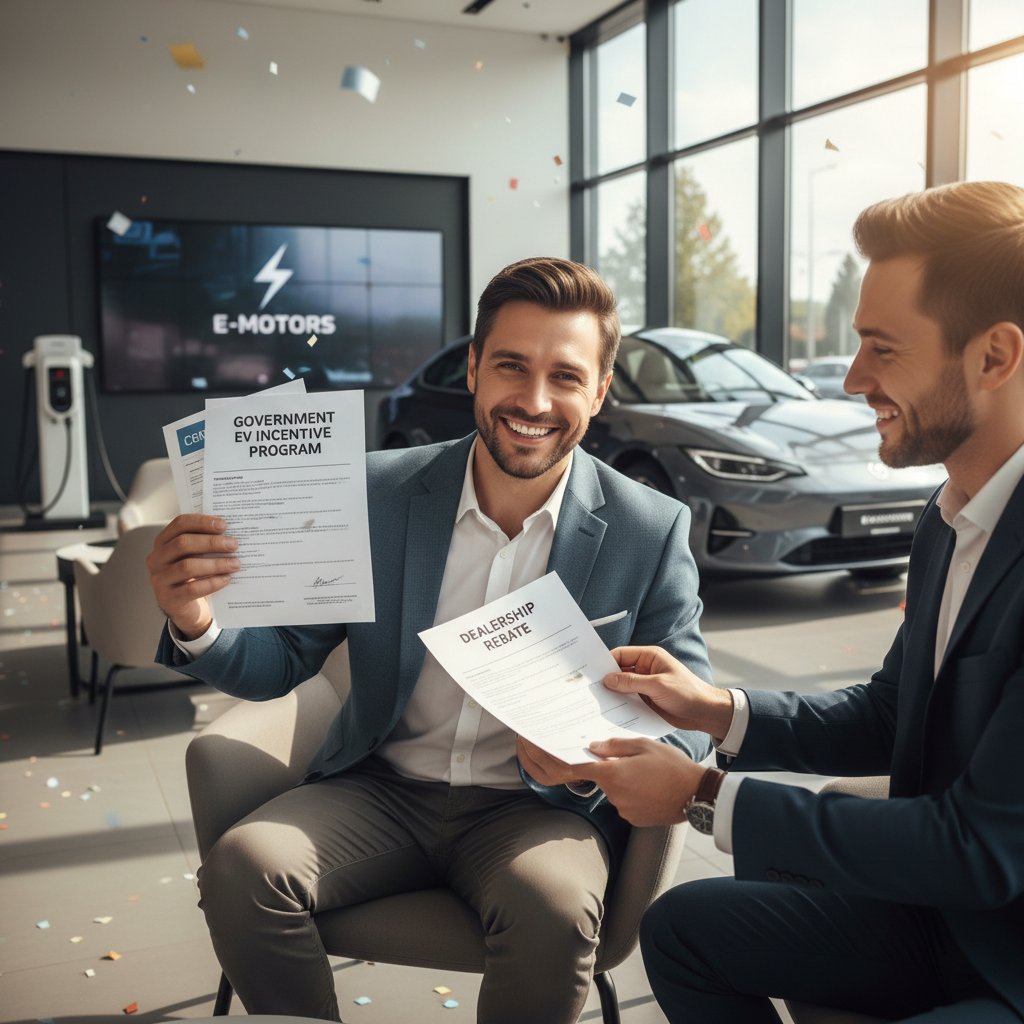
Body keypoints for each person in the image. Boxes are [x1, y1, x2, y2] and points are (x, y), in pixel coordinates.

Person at [146, 256, 713, 1023]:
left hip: (537, 811)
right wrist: (195, 619)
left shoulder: (649, 528)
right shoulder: (372, 492)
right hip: (381, 790)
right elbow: (277, 660)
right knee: (244, 866)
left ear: (601, 391)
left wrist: (600, 763)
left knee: (555, 908)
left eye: (567, 377)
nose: (535, 401)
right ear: (474, 369)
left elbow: (689, 721)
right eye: (511, 365)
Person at [570, 181, 1024, 1023]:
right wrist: (714, 708)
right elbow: (892, 713)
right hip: (943, 923)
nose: (852, 379)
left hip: (1009, 958)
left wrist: (701, 797)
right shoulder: (949, 516)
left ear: (994, 356)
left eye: (882, 350)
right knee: (682, 932)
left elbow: (980, 850)